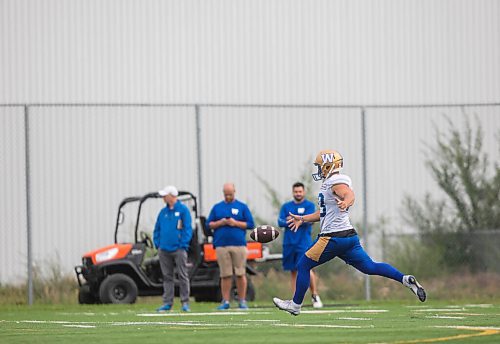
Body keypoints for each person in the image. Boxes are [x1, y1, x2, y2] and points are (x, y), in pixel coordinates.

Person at [273, 150, 426, 316]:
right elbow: (323, 213)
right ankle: (405, 279)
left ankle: (295, 305)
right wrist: (302, 218)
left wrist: (346, 202)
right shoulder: (330, 183)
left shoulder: (336, 181)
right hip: (349, 237)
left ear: (328, 166)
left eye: (320, 166)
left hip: (332, 237)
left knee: (303, 264)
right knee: (370, 266)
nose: (318, 169)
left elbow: (348, 194)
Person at [207, 183, 255, 310]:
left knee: (240, 273)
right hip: (221, 246)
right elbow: (209, 224)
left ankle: (242, 300)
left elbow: (250, 224)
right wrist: (221, 222)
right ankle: (226, 301)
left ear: (234, 191)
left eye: (230, 194)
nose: (228, 196)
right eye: (226, 194)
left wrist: (235, 223)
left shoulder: (242, 207)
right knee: (225, 274)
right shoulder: (217, 207)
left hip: (239, 245)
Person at [278, 182, 323, 308]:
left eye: (300, 191)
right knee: (293, 271)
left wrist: (298, 219)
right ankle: (296, 299)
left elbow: (310, 221)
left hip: (303, 243)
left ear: (304, 192)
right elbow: (280, 221)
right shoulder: (286, 206)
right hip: (289, 243)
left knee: (306, 268)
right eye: (296, 191)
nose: (298, 193)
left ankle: (315, 296)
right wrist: (294, 220)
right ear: (293, 192)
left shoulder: (309, 206)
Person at [154, 185, 193, 312]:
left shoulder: (183, 210)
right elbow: (157, 229)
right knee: (167, 277)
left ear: (172, 196)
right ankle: (167, 302)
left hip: (179, 249)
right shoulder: (162, 212)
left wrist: (183, 244)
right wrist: (158, 244)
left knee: (182, 275)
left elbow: (187, 229)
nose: (163, 198)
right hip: (164, 249)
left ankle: (185, 302)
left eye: (165, 196)